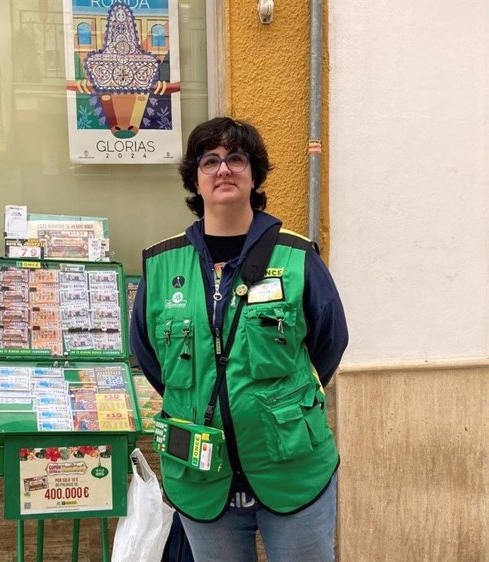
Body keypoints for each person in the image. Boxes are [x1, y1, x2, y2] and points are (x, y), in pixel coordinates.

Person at [129, 117, 348, 562]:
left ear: (254, 174)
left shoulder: (296, 256)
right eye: (210, 160)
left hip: (291, 469)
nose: (223, 169)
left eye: (236, 159)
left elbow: (329, 343)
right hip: (200, 473)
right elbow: (151, 358)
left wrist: (273, 404)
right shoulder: (160, 264)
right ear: (195, 177)